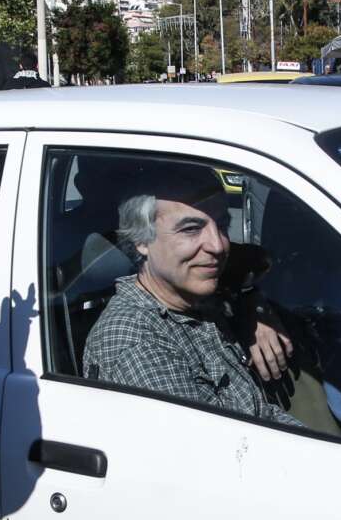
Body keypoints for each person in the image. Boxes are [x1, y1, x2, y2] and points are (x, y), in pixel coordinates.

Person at [82, 164, 298, 425]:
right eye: (191, 229)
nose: (218, 245)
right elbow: (217, 453)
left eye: (222, 225)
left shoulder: (189, 288)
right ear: (142, 241)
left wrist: (253, 305)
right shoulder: (139, 345)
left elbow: (255, 266)